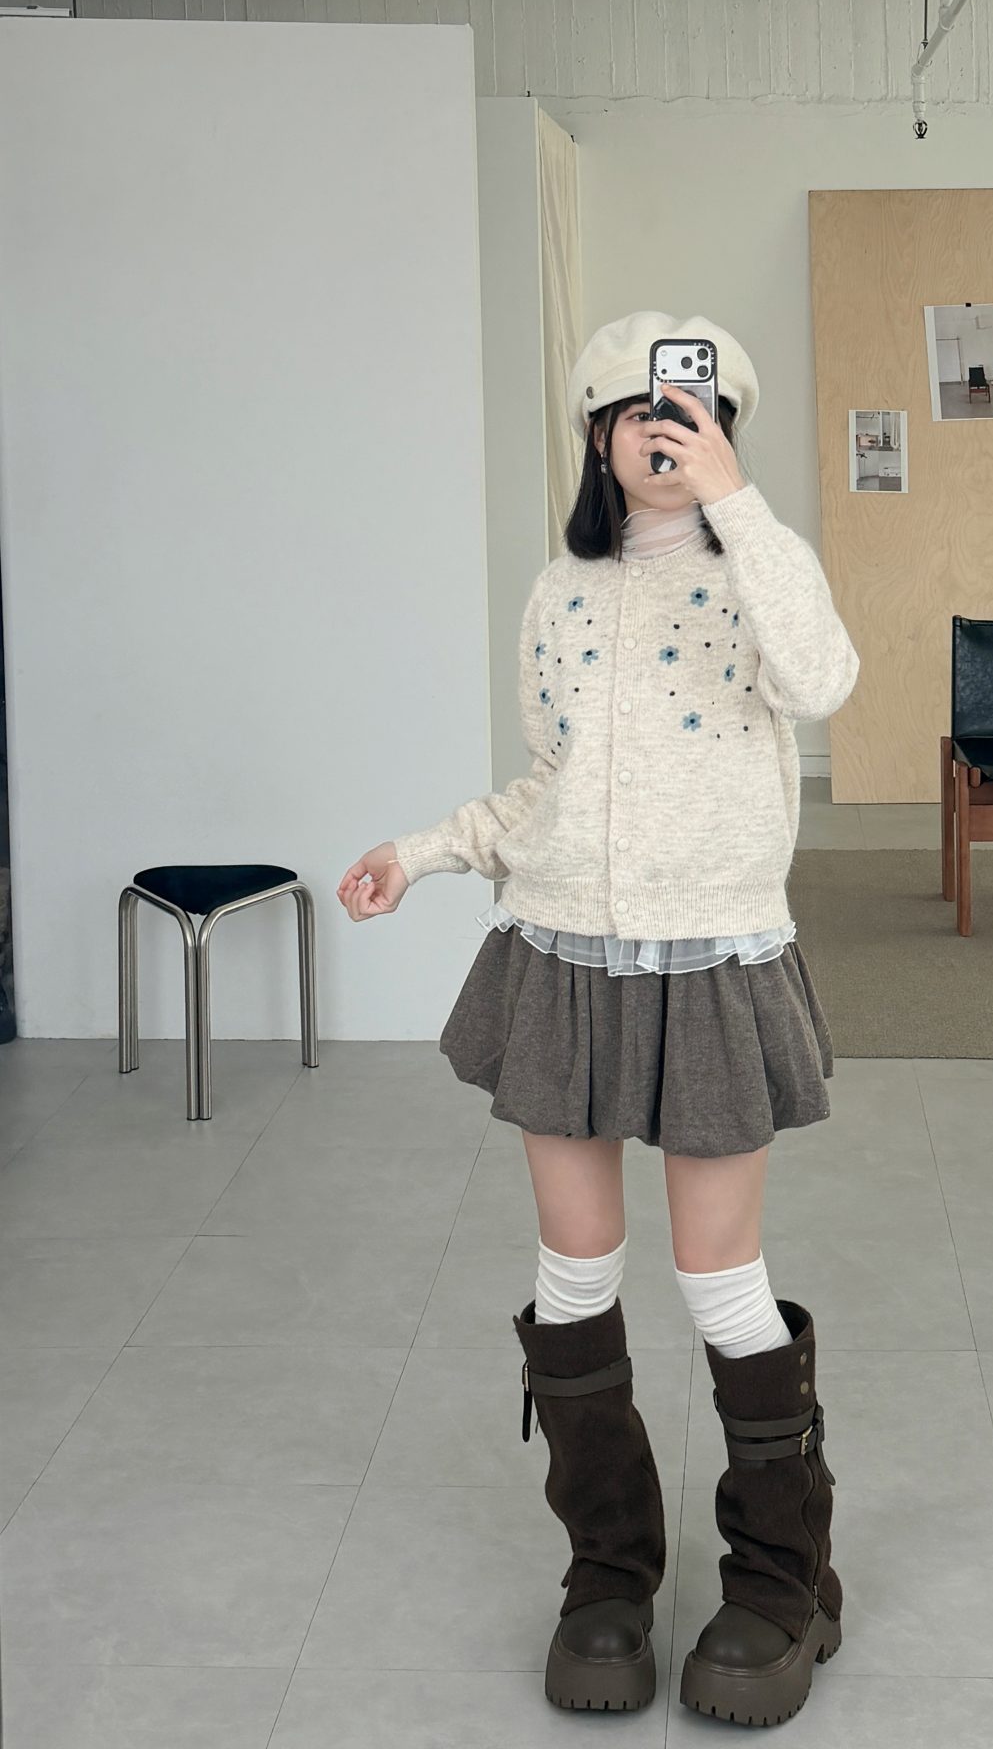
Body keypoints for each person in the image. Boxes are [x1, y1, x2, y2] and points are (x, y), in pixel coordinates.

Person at [336, 310, 859, 1725]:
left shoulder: (761, 572)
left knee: (719, 1280)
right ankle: (610, 1574)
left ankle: (784, 1580)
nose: (661, 430)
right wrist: (424, 850)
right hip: (562, 957)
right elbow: (548, 784)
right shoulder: (558, 590)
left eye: (691, 410)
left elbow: (824, 681)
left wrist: (740, 508)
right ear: (595, 435)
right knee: (573, 1277)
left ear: (726, 432)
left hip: (713, 960)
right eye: (634, 410)